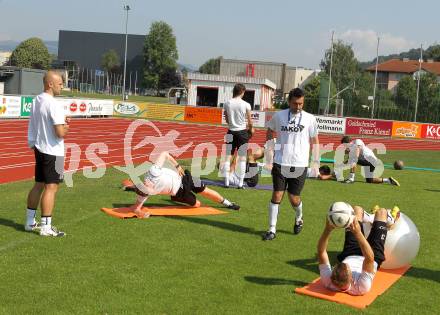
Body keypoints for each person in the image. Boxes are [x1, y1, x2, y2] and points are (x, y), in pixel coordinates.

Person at [262, 88, 320, 240]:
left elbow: (315, 140)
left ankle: (299, 216)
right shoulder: (279, 116)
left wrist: (315, 162)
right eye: (295, 103)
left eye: (301, 104)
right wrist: (269, 151)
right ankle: (272, 229)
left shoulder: (310, 118)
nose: (298, 107)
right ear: (289, 102)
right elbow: (269, 130)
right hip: (280, 162)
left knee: (294, 198)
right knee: (277, 194)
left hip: (300, 164)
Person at [317, 204, 401, 295]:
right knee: (382, 212)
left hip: (350, 253)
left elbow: (321, 251)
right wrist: (357, 233)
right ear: (351, 277)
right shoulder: (361, 286)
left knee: (356, 209)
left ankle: (371, 218)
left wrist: (327, 229)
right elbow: (369, 258)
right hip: (373, 256)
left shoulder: (327, 280)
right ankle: (391, 220)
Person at [129, 151, 240, 217]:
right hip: (179, 192)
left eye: (147, 189)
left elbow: (164, 154)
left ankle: (229, 204)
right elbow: (136, 208)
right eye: (148, 192)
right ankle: (189, 200)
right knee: (197, 205)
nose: (149, 191)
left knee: (205, 191)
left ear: (144, 184)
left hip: (184, 177)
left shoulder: (153, 172)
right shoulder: (143, 193)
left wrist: (177, 166)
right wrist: (141, 214)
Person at [25, 71, 68, 237]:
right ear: (50, 84)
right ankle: (46, 226)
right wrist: (67, 126)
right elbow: (60, 133)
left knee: (38, 184)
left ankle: (30, 222)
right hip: (53, 150)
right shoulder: (54, 104)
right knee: (52, 187)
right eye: (59, 84)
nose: (62, 86)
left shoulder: (37, 100)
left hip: (39, 147)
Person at [222, 83, 254, 189]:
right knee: (242, 157)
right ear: (242, 91)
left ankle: (226, 181)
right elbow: (250, 121)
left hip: (231, 131)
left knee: (228, 156)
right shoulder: (246, 104)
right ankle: (240, 183)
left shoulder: (227, 103)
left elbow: (226, 119)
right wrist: (251, 129)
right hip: (242, 132)